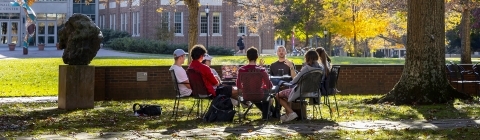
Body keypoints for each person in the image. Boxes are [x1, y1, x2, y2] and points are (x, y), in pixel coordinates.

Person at [275, 50, 324, 122]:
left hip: (301, 91)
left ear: (307, 58)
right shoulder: (320, 68)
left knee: (278, 95)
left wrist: (291, 69)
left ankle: (291, 113)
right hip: (314, 91)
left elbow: (295, 81)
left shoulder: (306, 68)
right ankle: (288, 115)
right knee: (287, 96)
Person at [236, 47, 274, 120]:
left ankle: (268, 114)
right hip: (259, 95)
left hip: (246, 95)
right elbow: (269, 85)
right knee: (267, 94)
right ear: (257, 56)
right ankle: (266, 116)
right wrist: (264, 87)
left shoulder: (242, 70)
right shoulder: (261, 70)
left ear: (247, 57)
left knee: (255, 93)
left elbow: (238, 85)